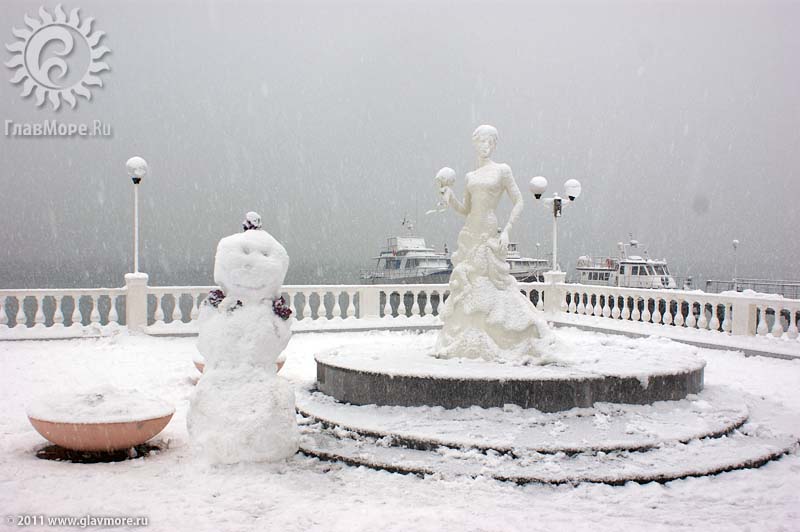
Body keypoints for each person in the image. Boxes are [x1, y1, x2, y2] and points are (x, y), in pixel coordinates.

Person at [435, 125, 547, 362]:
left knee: (492, 281)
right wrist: (450, 198)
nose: (485, 146)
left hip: (488, 229)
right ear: (475, 144)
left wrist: (506, 231)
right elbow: (466, 209)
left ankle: (505, 335)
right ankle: (469, 334)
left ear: (494, 145)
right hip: (470, 231)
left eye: (489, 142)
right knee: (471, 281)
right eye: (481, 142)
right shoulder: (470, 177)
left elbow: (519, 201)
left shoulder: (502, 170)